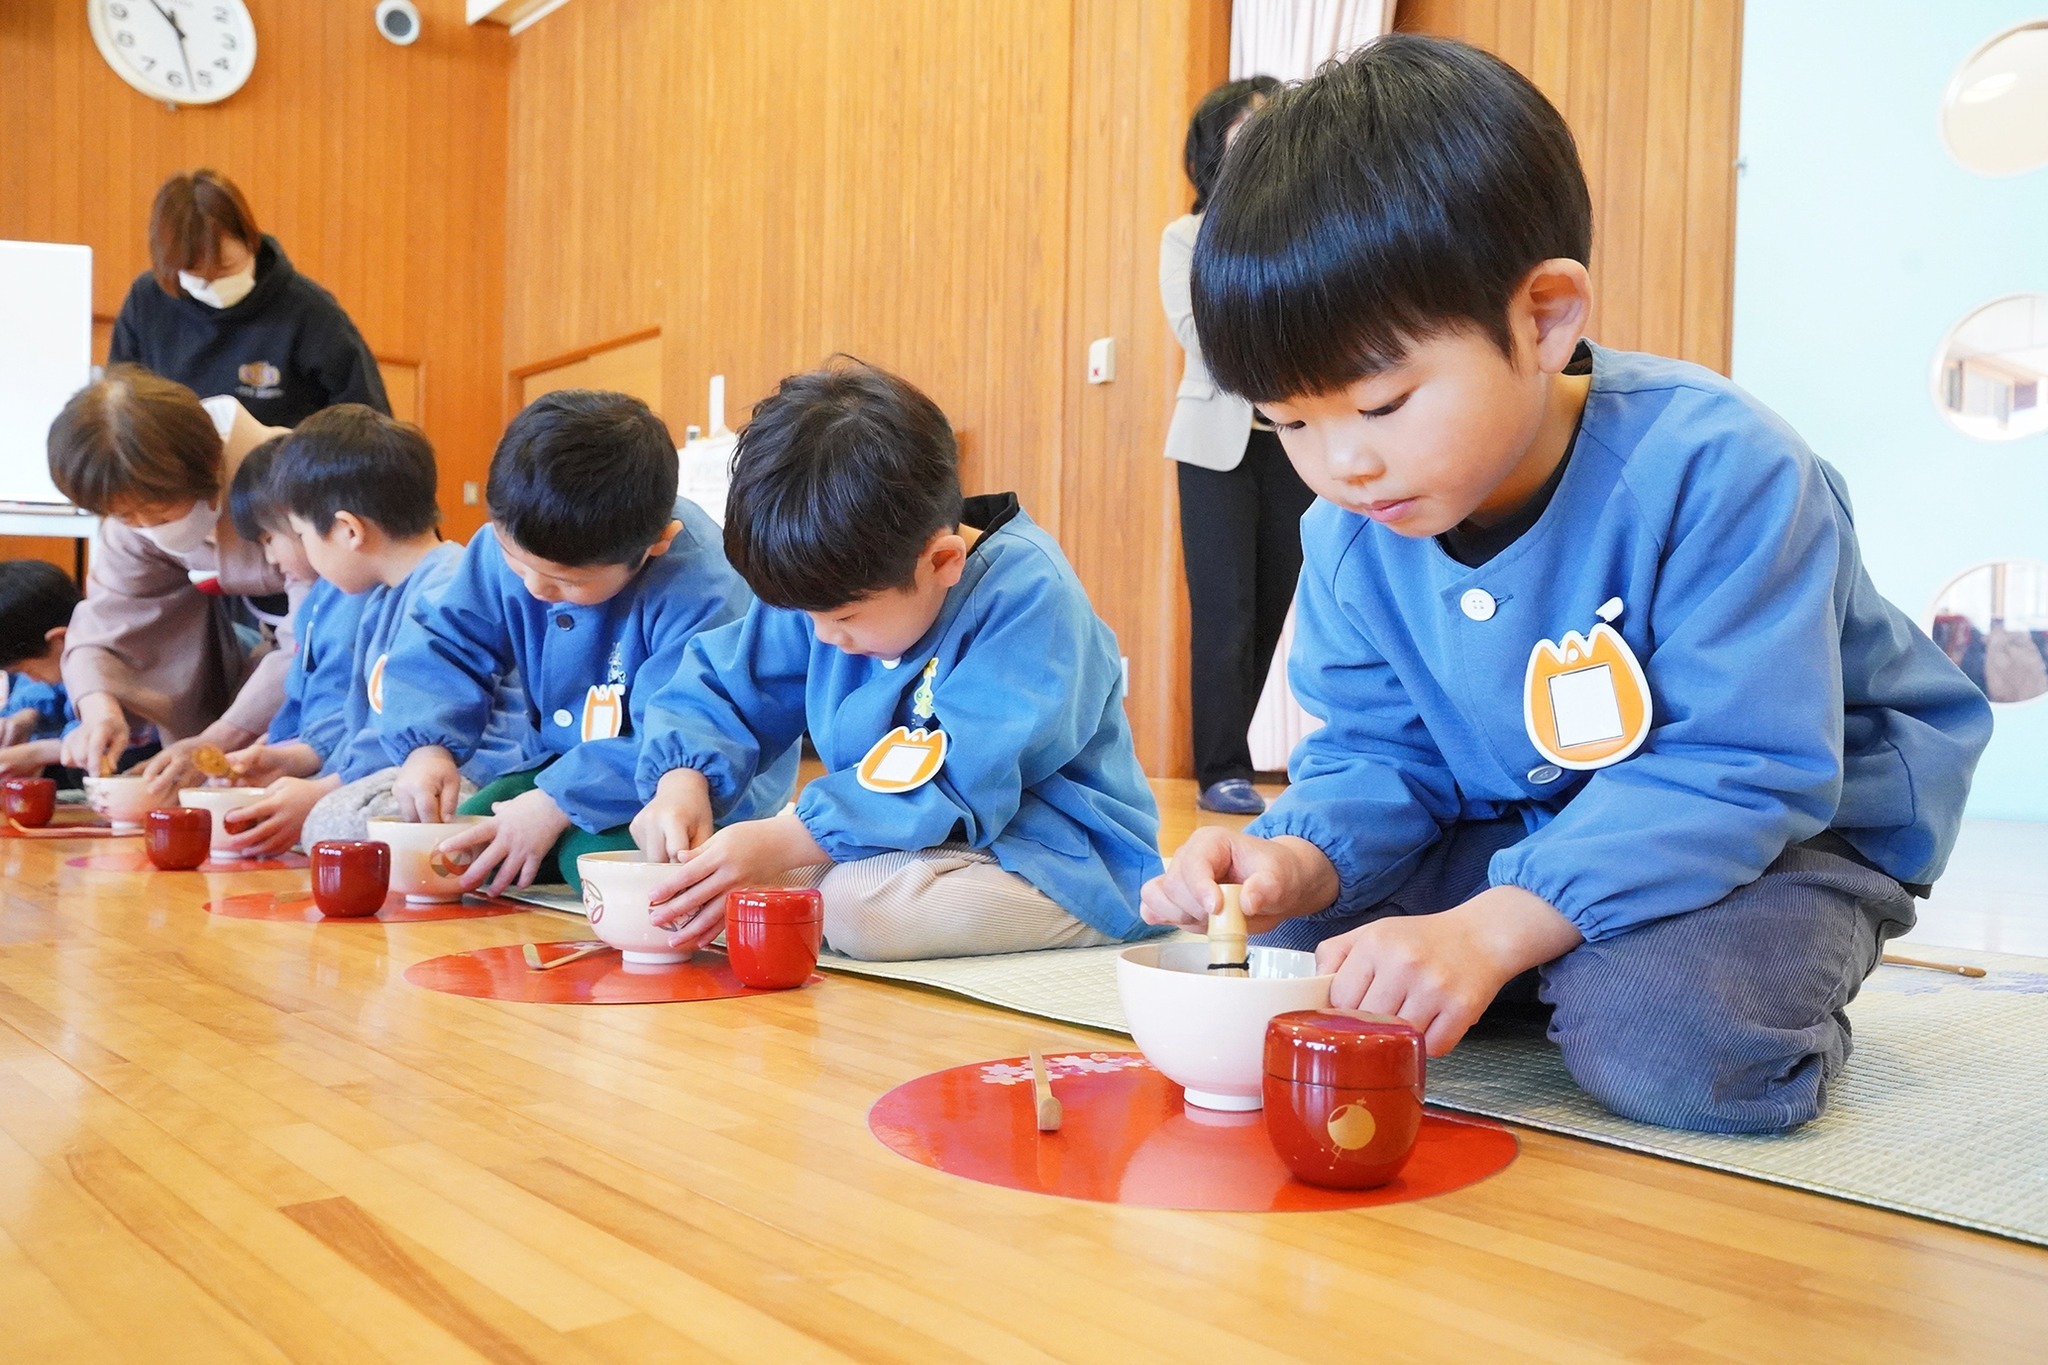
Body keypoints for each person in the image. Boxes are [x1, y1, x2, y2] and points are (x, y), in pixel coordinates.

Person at [1140, 36, 1994, 1134]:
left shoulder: (1718, 466)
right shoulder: (1349, 531)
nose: (1339, 463)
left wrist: (1492, 930)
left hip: (1786, 826)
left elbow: (1743, 767)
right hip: (1530, 811)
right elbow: (1376, 756)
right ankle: (1546, 952)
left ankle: (1670, 971)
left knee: (1668, 1044)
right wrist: (1294, 860)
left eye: (1383, 404)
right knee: (1293, 956)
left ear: (1543, 318)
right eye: (1288, 421)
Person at [632, 361, 1166, 962]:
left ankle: (1113, 913)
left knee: (861, 910)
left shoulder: (1029, 596)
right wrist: (682, 781)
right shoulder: (833, 578)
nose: (823, 638)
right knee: (736, 890)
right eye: (809, 618)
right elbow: (724, 686)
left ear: (943, 562)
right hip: (896, 838)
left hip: (1052, 850)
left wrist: (787, 838)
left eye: (846, 620)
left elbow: (959, 778)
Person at [376, 389, 793, 894]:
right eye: (516, 560)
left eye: (568, 583)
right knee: (466, 835)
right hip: (562, 765)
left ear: (658, 542)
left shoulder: (705, 583)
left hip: (686, 787)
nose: (534, 587)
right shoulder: (515, 542)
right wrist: (428, 749)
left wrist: (553, 803)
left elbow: (692, 720)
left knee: (592, 859)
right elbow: (446, 643)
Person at [218, 406, 540, 856]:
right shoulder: (381, 598)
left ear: (349, 530)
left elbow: (446, 729)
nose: (298, 554)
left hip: (472, 776)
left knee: (334, 822)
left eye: (300, 535)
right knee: (319, 813)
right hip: (406, 774)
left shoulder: (447, 585)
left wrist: (324, 791)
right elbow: (369, 729)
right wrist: (293, 760)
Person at [1161, 74, 1310, 816]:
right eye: (1246, 131)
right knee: (1224, 611)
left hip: (1294, 445)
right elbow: (1201, 335)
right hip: (1213, 448)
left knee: (1271, 608)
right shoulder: (1186, 238)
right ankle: (1220, 767)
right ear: (1214, 147)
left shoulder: (1309, 234)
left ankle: (1239, 758)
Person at [44, 366, 300, 791]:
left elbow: (319, 638)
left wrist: (215, 740)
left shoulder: (291, 479)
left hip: (329, 660)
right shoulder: (130, 519)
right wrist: (99, 709)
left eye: (158, 510)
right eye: (125, 516)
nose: (144, 525)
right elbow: (110, 624)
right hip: (256, 664)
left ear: (208, 463)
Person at [108, 169, 388, 428]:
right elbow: (120, 406)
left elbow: (368, 424)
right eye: (197, 275)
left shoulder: (309, 311)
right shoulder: (148, 300)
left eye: (227, 267)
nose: (213, 284)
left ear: (250, 240)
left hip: (279, 475)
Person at [0, 561, 84, 778]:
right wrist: (26, 716)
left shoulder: (116, 661)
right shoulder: (54, 659)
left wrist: (36, 753)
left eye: (24, 669)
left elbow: (104, 738)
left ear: (60, 639)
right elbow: (49, 690)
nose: (30, 678)